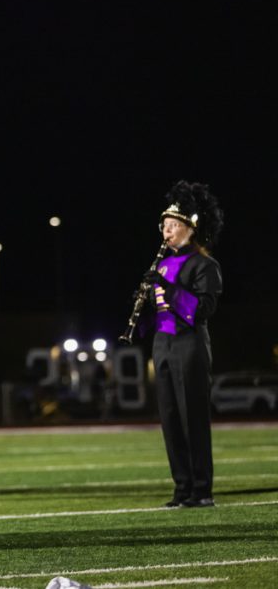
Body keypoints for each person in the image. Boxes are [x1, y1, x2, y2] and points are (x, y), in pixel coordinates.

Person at [141, 180, 223, 508]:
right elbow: (160, 312)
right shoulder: (162, 264)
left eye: (173, 225)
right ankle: (182, 487)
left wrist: (166, 287)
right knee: (171, 418)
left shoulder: (205, 265)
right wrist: (143, 303)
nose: (167, 231)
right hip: (163, 344)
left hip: (190, 345)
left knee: (193, 418)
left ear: (191, 228)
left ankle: (201, 489)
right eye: (164, 226)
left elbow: (202, 310)